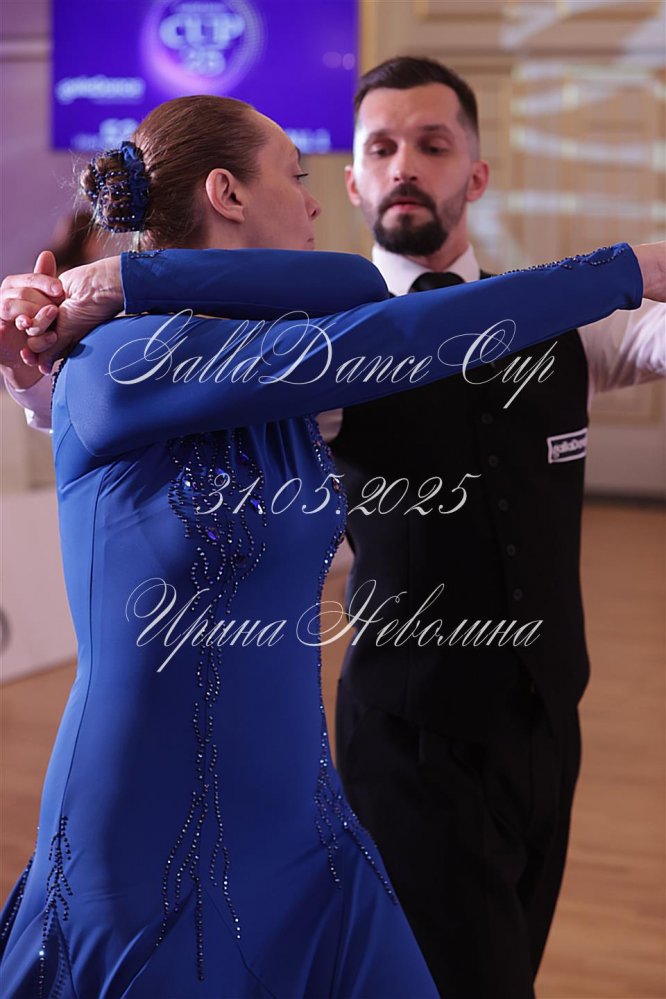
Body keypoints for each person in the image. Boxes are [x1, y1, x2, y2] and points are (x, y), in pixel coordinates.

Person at [0, 93, 663, 999]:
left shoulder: (260, 355)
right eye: (295, 175)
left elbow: (353, 285)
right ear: (229, 192)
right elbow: (400, 323)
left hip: (299, 816)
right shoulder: (122, 363)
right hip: (151, 821)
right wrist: (630, 268)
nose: (315, 201)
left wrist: (127, 276)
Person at [324, 57, 665, 999]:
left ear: (474, 176)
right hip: (412, 737)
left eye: (431, 145)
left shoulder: (565, 321)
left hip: (549, 722)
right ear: (352, 182)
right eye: (381, 148)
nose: (404, 166)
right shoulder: (328, 348)